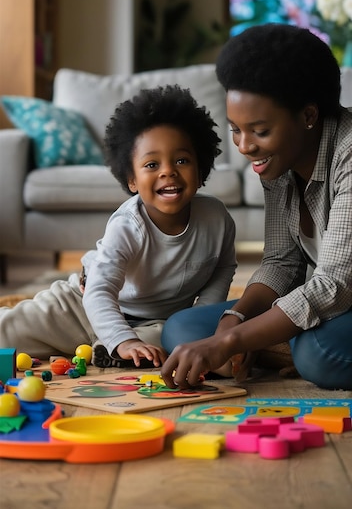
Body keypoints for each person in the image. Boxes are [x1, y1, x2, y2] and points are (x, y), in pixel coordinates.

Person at [161, 23, 352, 391]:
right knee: (182, 329)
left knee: (317, 353)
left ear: (309, 116)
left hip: (342, 293)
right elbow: (283, 261)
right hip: (329, 300)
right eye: (235, 128)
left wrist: (232, 341)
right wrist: (236, 319)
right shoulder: (279, 162)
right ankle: (282, 341)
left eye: (260, 131)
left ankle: (288, 345)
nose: (245, 146)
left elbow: (336, 284)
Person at [0, 85, 237, 369]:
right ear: (132, 181)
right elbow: (99, 292)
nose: (167, 171)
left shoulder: (217, 219)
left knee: (173, 340)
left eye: (182, 160)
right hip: (82, 306)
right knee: (10, 332)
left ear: (201, 171)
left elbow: (223, 269)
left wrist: (199, 318)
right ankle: (115, 344)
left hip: (156, 322)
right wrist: (123, 339)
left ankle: (109, 349)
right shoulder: (128, 225)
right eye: (151, 164)